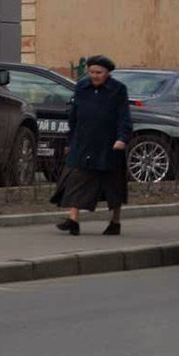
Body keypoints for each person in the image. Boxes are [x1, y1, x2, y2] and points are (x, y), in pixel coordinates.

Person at [50, 55, 132, 235]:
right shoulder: (82, 87)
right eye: (92, 72)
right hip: (84, 142)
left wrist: (122, 138)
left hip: (109, 144)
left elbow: (124, 117)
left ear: (107, 73)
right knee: (75, 180)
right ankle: (73, 220)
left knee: (113, 186)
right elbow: (74, 117)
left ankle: (115, 222)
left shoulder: (118, 89)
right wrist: (71, 141)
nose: (94, 76)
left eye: (99, 73)